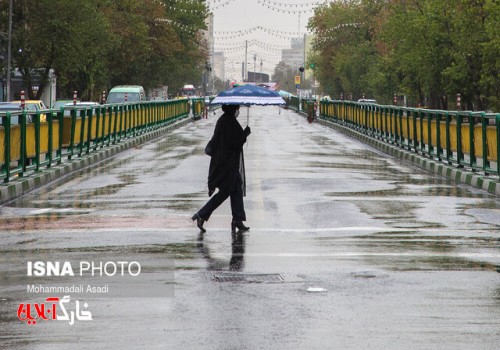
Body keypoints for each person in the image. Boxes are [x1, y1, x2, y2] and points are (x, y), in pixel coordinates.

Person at [192, 104, 251, 234]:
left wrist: (243, 134)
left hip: (228, 164)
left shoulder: (225, 120)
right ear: (232, 109)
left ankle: (237, 219)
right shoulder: (228, 122)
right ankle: (201, 215)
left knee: (236, 188)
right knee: (225, 192)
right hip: (227, 165)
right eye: (237, 108)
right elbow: (233, 143)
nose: (238, 111)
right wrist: (245, 134)